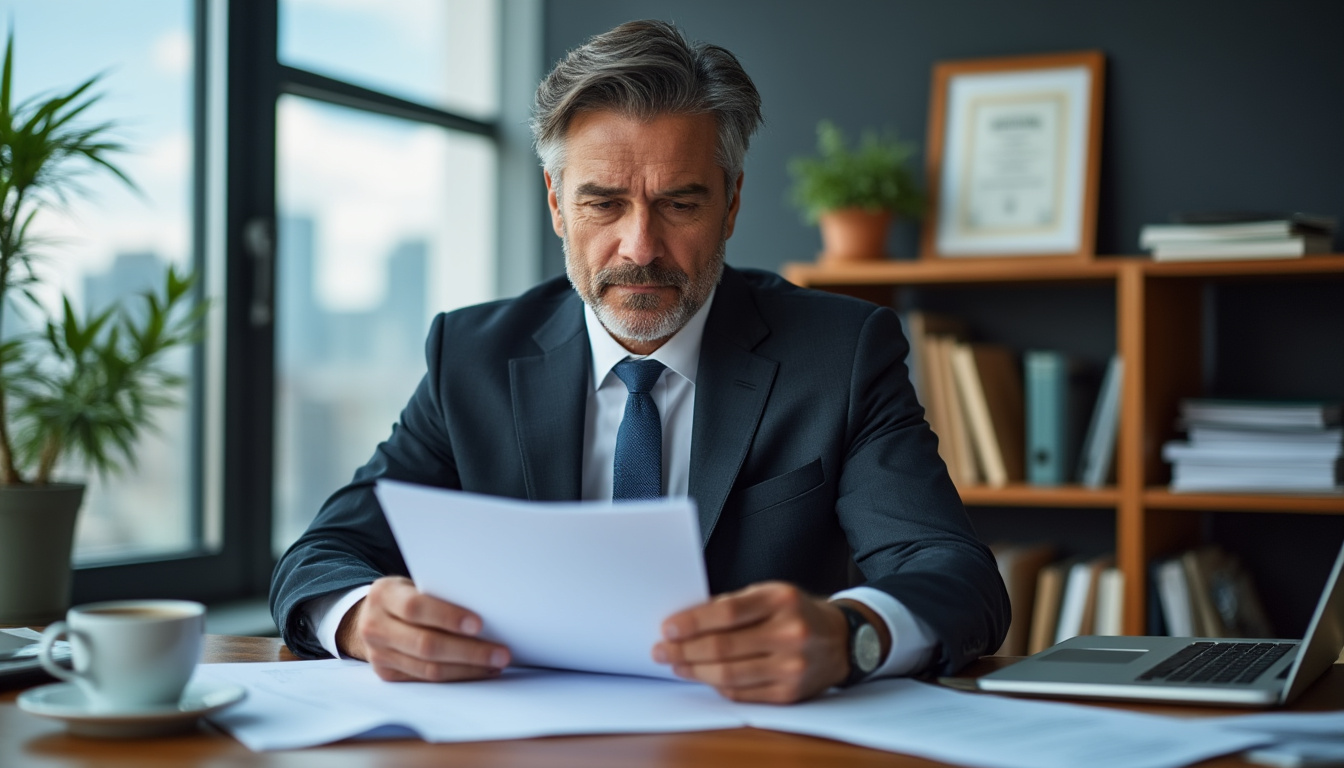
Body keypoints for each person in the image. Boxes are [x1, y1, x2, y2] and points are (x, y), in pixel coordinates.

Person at [270, 19, 1008, 704]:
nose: (641, 247)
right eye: (604, 205)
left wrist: (852, 635)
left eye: (680, 204)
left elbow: (957, 577)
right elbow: (325, 553)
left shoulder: (841, 354)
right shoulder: (471, 356)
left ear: (731, 203)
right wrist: (363, 618)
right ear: (557, 204)